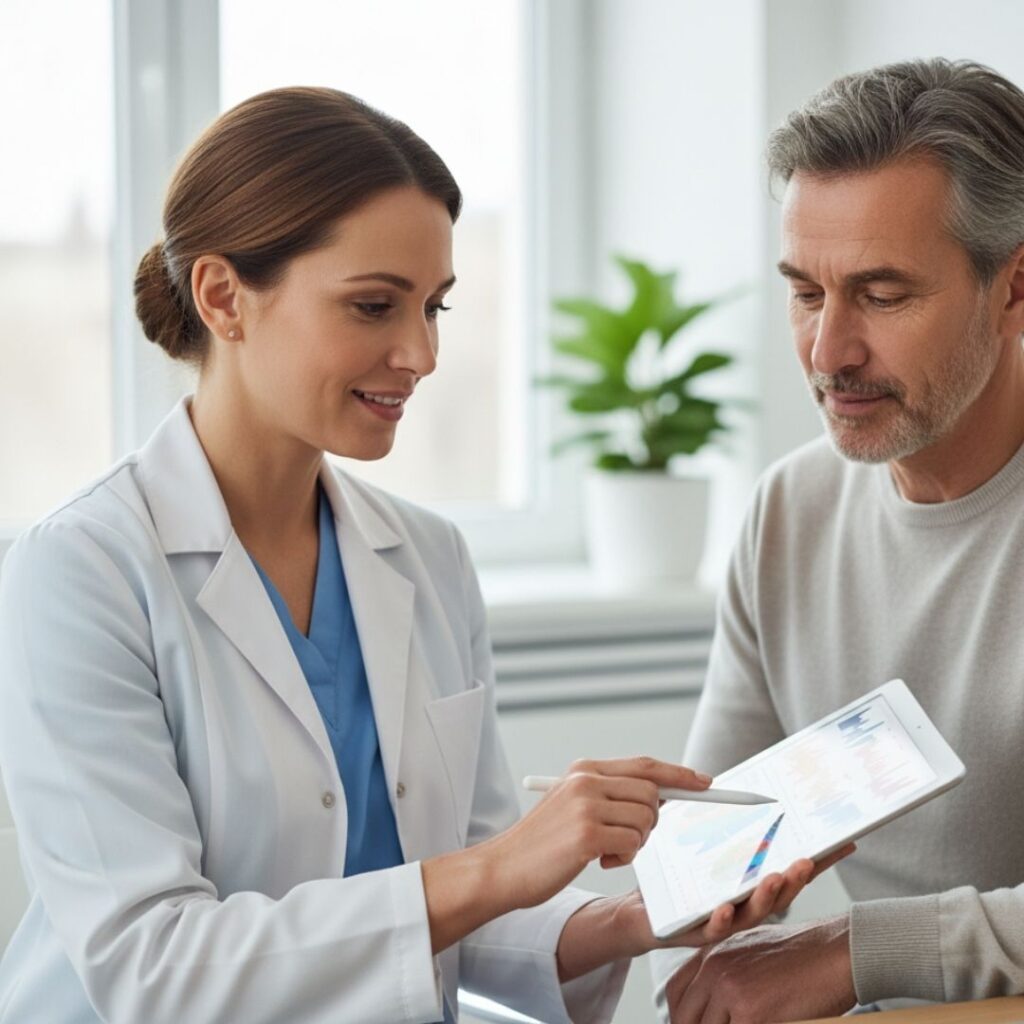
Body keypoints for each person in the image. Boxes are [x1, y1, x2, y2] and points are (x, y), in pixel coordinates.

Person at [0, 87, 821, 1024]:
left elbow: (466, 912)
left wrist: (638, 918)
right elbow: (152, 966)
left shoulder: (428, 558)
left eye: (433, 307)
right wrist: (501, 864)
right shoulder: (81, 572)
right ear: (224, 297)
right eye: (374, 306)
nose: (421, 353)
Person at [650, 57, 1024, 1024]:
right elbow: (711, 855)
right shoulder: (790, 512)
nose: (828, 353)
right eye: (806, 293)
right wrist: (680, 891)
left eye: (882, 295)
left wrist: (854, 953)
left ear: (1015, 286)